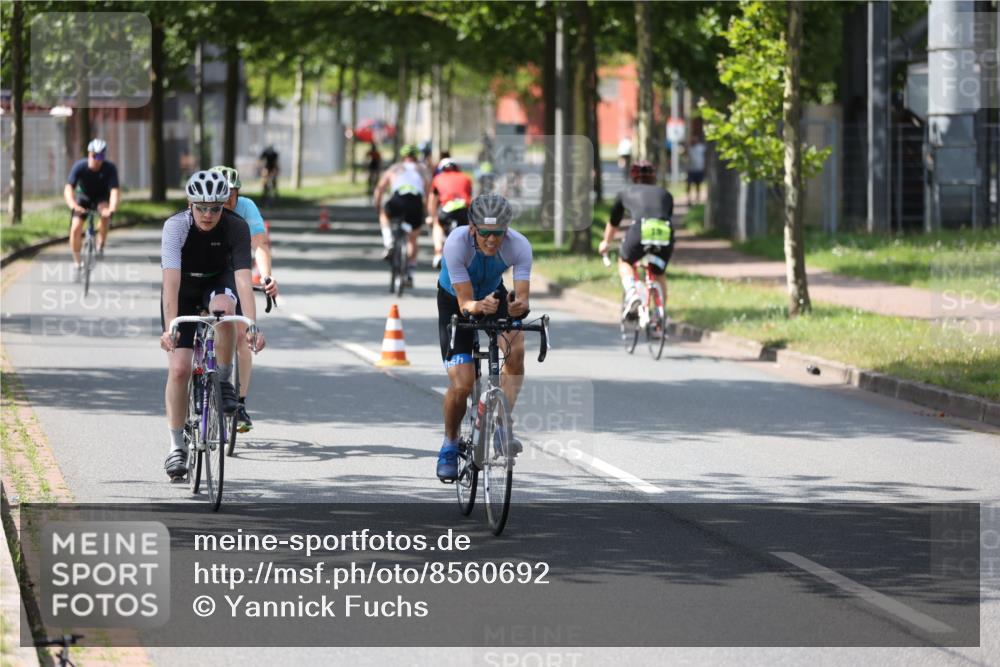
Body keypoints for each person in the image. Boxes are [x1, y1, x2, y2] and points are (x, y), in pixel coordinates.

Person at [159, 170, 266, 481]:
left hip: (217, 283)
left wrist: (252, 327)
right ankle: (176, 446)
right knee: (179, 369)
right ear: (190, 204)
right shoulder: (175, 227)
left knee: (225, 309)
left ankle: (221, 379)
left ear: (225, 206)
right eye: (201, 207)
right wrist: (170, 329)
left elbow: (244, 283)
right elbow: (170, 284)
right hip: (183, 289)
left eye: (215, 208)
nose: (208, 215)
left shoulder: (236, 227)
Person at [435, 193, 533, 482]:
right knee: (463, 384)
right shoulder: (456, 244)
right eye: (486, 233)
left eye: (499, 233)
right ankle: (450, 444)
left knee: (516, 349)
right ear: (472, 228)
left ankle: (502, 426)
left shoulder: (520, 246)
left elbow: (523, 297)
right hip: (455, 300)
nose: (492, 240)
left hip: (493, 293)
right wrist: (476, 307)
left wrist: (519, 305)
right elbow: (466, 303)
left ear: (507, 230)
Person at [210, 166, 279, 433]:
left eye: (232, 195)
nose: (227, 202)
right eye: (222, 196)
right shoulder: (206, 210)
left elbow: (260, 245)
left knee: (242, 336)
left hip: (236, 272)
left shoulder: (246, 207)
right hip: (208, 274)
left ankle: (239, 403)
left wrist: (266, 276)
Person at [597, 160, 674, 321]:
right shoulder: (666, 194)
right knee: (659, 272)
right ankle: (661, 315)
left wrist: (606, 242)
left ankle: (632, 293)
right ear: (654, 177)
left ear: (633, 177)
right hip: (665, 232)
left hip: (641, 230)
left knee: (624, 260)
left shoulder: (625, 192)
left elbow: (614, 222)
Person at [373, 144, 432, 286]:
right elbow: (429, 194)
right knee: (413, 239)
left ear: (403, 157)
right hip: (415, 201)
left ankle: (388, 243)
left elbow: (380, 189)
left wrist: (378, 205)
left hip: (398, 199)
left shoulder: (395, 168)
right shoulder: (422, 169)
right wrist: (427, 211)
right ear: (416, 157)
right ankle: (410, 273)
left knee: (384, 214)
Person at [64, 138, 119, 277]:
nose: (98, 159)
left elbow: (114, 191)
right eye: (95, 155)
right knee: (76, 228)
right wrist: (73, 205)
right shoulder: (80, 166)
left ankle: (101, 244)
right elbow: (69, 187)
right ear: (89, 154)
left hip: (101, 199)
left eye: (101, 156)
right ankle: (77, 264)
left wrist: (112, 208)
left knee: (105, 215)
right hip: (83, 199)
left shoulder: (110, 168)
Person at [427, 158, 473, 270]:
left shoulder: (438, 178)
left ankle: (438, 253)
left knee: (438, 224)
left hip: (447, 208)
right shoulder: (466, 178)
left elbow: (432, 201)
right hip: (463, 209)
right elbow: (470, 198)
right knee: (468, 231)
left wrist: (432, 217)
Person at [686, 136, 707, 205]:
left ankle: (698, 199)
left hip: (699, 169)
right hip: (691, 170)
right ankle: (689, 199)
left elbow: (705, 157)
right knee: (689, 185)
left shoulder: (701, 148)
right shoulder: (689, 148)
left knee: (698, 185)